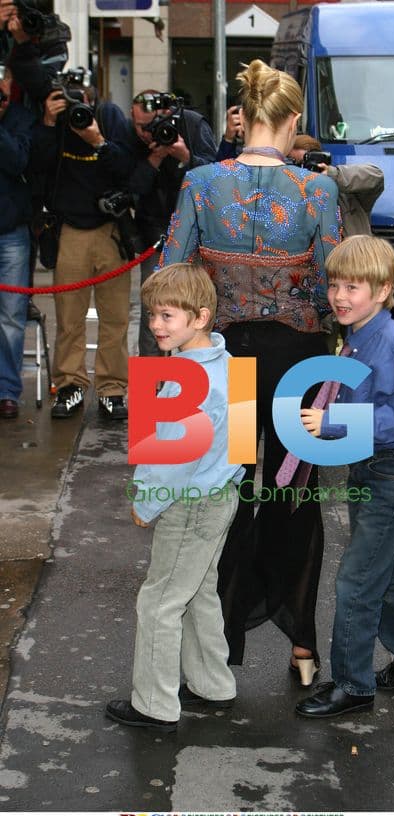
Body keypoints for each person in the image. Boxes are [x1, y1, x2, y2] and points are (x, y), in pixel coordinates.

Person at [160, 59, 341, 685]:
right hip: (301, 362)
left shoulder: (202, 183)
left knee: (225, 492)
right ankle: (303, 648)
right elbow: (331, 285)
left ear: (245, 117)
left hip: (226, 361)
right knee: (296, 492)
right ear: (292, 120)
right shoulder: (318, 190)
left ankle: (221, 647)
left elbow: (172, 273)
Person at [295, 235, 394, 719]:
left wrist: (333, 423)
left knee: (357, 581)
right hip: (375, 467)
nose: (339, 295)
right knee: (385, 572)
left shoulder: (393, 344)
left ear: (382, 290)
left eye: (352, 286)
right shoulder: (360, 332)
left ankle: (354, 686)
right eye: (335, 284)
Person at [105, 263, 244, 729]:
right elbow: (244, 443)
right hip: (221, 496)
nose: (156, 326)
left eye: (167, 316)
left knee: (160, 601)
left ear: (200, 317)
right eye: (152, 316)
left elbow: (170, 456)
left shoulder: (182, 378)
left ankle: (154, 704)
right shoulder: (231, 363)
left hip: (188, 502)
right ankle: (212, 684)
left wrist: (146, 503)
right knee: (199, 590)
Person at [30, 72, 136, 420]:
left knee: (115, 318)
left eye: (83, 96)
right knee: (69, 318)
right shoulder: (56, 124)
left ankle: (112, 389)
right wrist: (48, 121)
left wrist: (97, 139)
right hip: (70, 229)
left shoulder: (109, 117)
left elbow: (126, 168)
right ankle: (70, 385)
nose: (78, 104)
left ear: (94, 95)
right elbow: (37, 166)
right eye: (72, 96)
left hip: (110, 232)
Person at [128, 89, 217, 356]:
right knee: (153, 315)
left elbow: (215, 177)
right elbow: (133, 188)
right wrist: (153, 158)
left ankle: (195, 379)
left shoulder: (191, 124)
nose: (146, 132)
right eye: (139, 126)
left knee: (200, 313)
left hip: (197, 235)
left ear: (166, 114)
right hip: (154, 235)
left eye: (150, 126)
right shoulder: (135, 141)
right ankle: (152, 388)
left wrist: (185, 157)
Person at [0, 62, 34, 419]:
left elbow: (19, 161)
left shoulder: (21, 119)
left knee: (11, 316)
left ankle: (7, 390)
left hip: (11, 232)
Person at [290, 134, 384, 236]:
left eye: (308, 164)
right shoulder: (290, 198)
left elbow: (376, 175)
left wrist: (334, 174)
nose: (303, 170)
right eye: (297, 165)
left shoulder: (347, 195)